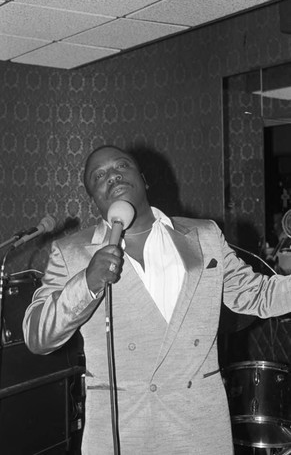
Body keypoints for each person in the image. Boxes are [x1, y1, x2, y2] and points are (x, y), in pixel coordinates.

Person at [23, 145, 291, 455]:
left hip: (199, 427)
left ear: (144, 179)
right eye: (99, 175)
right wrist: (86, 283)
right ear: (94, 198)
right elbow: (36, 335)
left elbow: (255, 294)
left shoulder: (204, 236)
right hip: (121, 434)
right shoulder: (71, 253)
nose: (112, 175)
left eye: (121, 166)